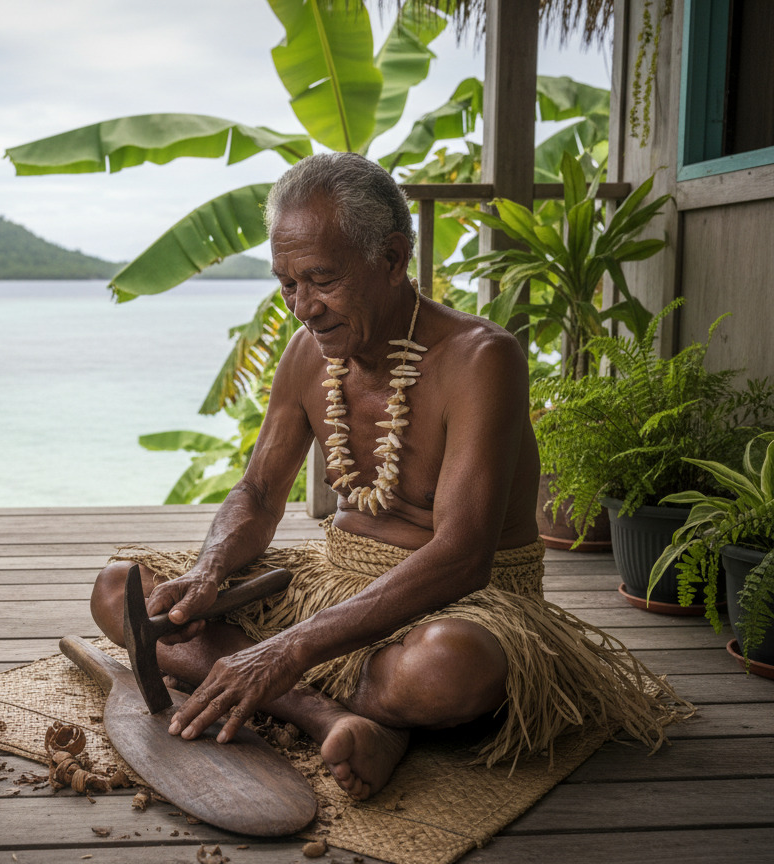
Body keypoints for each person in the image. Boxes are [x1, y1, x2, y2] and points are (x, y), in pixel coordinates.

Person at [90, 152, 686, 800]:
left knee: (449, 669)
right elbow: (259, 492)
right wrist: (207, 574)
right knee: (122, 589)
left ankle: (302, 688)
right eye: (287, 284)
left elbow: (461, 557)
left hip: (464, 601)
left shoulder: (481, 359)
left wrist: (285, 651)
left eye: (321, 279)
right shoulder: (306, 354)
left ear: (394, 259)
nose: (302, 308)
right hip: (332, 581)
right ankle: (333, 716)